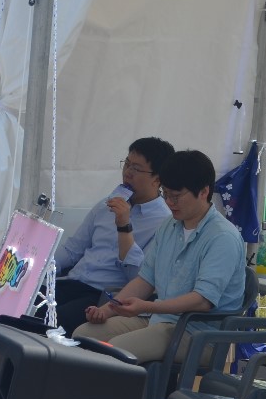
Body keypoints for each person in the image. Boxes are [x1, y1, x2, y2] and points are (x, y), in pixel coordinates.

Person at [74, 149, 247, 363]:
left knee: (116, 351)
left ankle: (123, 385)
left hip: (199, 333)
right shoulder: (170, 226)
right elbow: (145, 279)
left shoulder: (222, 237)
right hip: (159, 319)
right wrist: (108, 309)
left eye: (176, 196)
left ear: (203, 192)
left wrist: (146, 306)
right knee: (83, 335)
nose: (169, 202)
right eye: (166, 194)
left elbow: (202, 301)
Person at [52, 137, 175, 328]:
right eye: (127, 164)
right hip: (72, 281)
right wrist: (42, 269)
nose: (128, 173)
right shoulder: (106, 204)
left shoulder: (164, 222)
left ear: (157, 179)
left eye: (136, 169)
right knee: (22, 305)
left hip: (103, 295)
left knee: (54, 320)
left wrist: (124, 226)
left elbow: (140, 278)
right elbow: (72, 249)